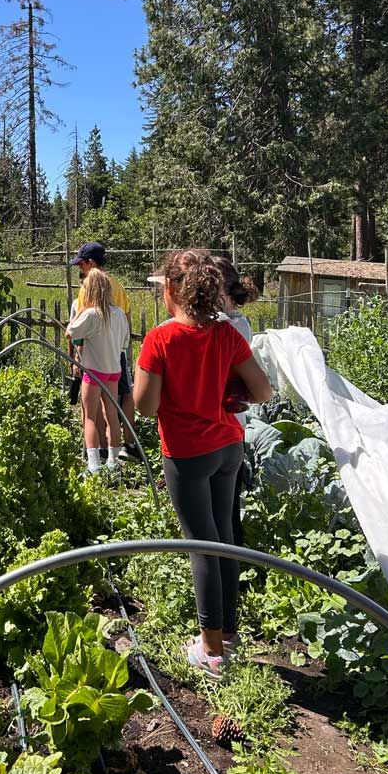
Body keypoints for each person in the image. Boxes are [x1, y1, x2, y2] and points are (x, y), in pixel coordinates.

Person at [134, 249, 272, 678]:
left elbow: (145, 406)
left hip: (187, 452)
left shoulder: (160, 339)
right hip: (228, 446)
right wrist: (227, 393)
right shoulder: (226, 333)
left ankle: (211, 652)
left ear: (172, 289)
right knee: (224, 537)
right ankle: (227, 633)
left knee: (201, 544)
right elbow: (263, 392)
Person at [68, 242, 139, 463]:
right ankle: (118, 456)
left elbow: (75, 331)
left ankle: (95, 458)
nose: (80, 268)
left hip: (93, 364)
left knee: (90, 413)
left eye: (81, 264)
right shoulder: (118, 291)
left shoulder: (88, 295)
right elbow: (126, 334)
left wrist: (77, 357)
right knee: (114, 410)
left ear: (90, 263)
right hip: (115, 363)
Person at [212, 256, 260, 548]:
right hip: (231, 424)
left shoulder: (231, 326)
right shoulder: (235, 322)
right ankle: (232, 556)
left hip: (225, 424)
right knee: (225, 504)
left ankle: (230, 555)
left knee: (224, 507)